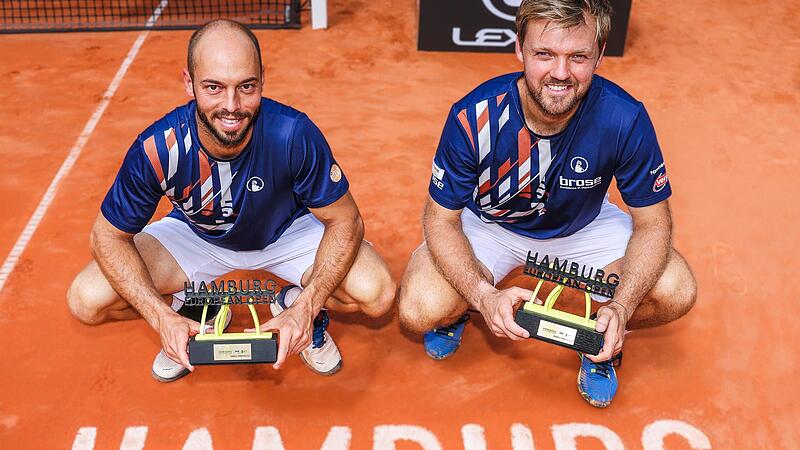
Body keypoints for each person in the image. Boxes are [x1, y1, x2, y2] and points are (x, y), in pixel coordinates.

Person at [398, 0, 696, 408]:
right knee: (421, 308)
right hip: (492, 225)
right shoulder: (474, 115)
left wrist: (624, 305)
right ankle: (462, 309)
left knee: (676, 290)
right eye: (544, 54)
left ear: (600, 54)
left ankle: (598, 336)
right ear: (519, 49)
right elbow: (441, 219)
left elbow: (654, 223)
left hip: (583, 226)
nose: (560, 73)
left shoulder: (624, 117)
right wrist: (483, 294)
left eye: (578, 57)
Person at [67, 19, 395, 382]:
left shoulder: (292, 134)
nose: (232, 106)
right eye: (213, 87)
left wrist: (308, 303)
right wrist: (160, 316)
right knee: (87, 299)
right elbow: (106, 236)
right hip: (197, 236)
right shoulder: (159, 149)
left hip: (287, 233)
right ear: (188, 83)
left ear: (262, 80)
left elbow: (346, 220)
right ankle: (195, 310)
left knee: (377, 294)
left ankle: (292, 304)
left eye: (246, 86)